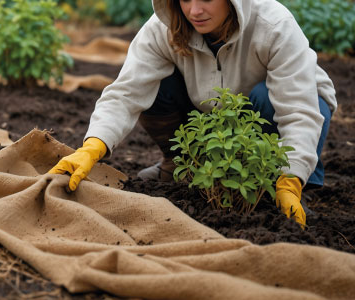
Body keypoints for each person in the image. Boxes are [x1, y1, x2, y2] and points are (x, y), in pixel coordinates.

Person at [49, 0, 336, 228]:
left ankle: (285, 187)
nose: (194, 11)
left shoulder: (273, 25)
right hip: (210, 112)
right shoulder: (165, 27)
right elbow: (126, 92)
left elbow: (299, 110)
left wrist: (292, 178)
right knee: (154, 86)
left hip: (275, 106)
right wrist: (92, 147)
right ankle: (180, 166)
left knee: (265, 98)